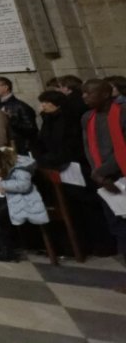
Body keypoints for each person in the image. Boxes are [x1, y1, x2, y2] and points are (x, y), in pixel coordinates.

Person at [0, 146, 49, 261]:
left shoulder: (18, 165)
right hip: (0, 196)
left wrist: (5, 186)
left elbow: (24, 185)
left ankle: (7, 249)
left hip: (16, 198)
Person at [80, 79, 126, 263]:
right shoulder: (87, 117)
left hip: (120, 174)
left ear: (106, 94)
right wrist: (98, 173)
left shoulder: (123, 114)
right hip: (104, 179)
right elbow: (88, 147)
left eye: (89, 93)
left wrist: (102, 171)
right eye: (83, 93)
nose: (84, 97)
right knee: (118, 228)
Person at [0, 76, 38, 154]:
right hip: (4, 146)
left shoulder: (20, 106)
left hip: (20, 147)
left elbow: (31, 128)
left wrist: (10, 119)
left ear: (6, 87)